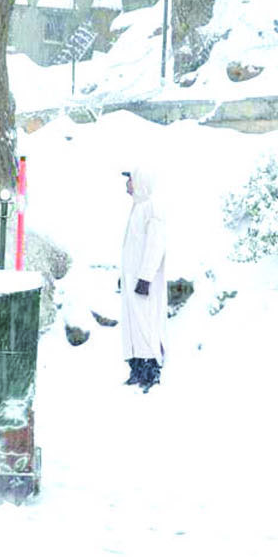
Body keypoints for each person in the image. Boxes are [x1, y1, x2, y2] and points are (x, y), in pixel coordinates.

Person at [119, 166, 166, 393]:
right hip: (132, 279)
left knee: (146, 324)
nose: (127, 185)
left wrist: (145, 277)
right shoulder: (137, 208)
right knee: (133, 327)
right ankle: (137, 370)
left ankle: (151, 372)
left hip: (143, 282)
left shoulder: (152, 208)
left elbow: (155, 246)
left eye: (130, 180)